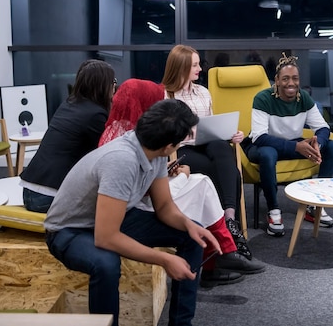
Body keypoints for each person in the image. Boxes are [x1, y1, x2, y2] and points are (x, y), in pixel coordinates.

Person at [44, 99, 221, 326]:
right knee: (106, 263)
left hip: (112, 218)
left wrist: (189, 225)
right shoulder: (122, 160)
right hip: (68, 230)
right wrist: (164, 259)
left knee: (194, 235)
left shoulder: (155, 152)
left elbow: (165, 207)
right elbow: (106, 237)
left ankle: (181, 323)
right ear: (169, 146)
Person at [99, 79, 265, 288]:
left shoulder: (121, 130)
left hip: (140, 199)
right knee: (201, 185)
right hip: (135, 209)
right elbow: (143, 194)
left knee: (204, 180)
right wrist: (182, 176)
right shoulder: (126, 146)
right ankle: (223, 251)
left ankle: (224, 251)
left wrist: (167, 172)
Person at [161, 45, 250, 257]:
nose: (200, 68)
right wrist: (185, 134)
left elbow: (211, 124)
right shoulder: (166, 95)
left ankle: (228, 220)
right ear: (181, 67)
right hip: (181, 150)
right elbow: (163, 134)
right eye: (194, 65)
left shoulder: (203, 92)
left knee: (221, 146)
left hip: (209, 144)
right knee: (231, 174)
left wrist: (231, 134)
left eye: (198, 63)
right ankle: (228, 229)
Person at [242, 53, 333, 236]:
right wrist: (297, 147)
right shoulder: (263, 98)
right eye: (285, 79)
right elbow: (259, 137)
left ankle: (315, 204)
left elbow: (324, 128)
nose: (291, 83)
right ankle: (273, 211)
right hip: (263, 145)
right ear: (277, 81)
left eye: (295, 78)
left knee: (332, 147)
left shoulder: (303, 98)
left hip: (292, 144)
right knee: (267, 154)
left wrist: (318, 142)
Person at [20, 59, 116, 213]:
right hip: (49, 197)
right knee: (114, 203)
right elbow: (108, 155)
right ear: (103, 84)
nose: (114, 86)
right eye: (113, 81)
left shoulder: (69, 104)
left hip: (29, 191)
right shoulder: (95, 114)